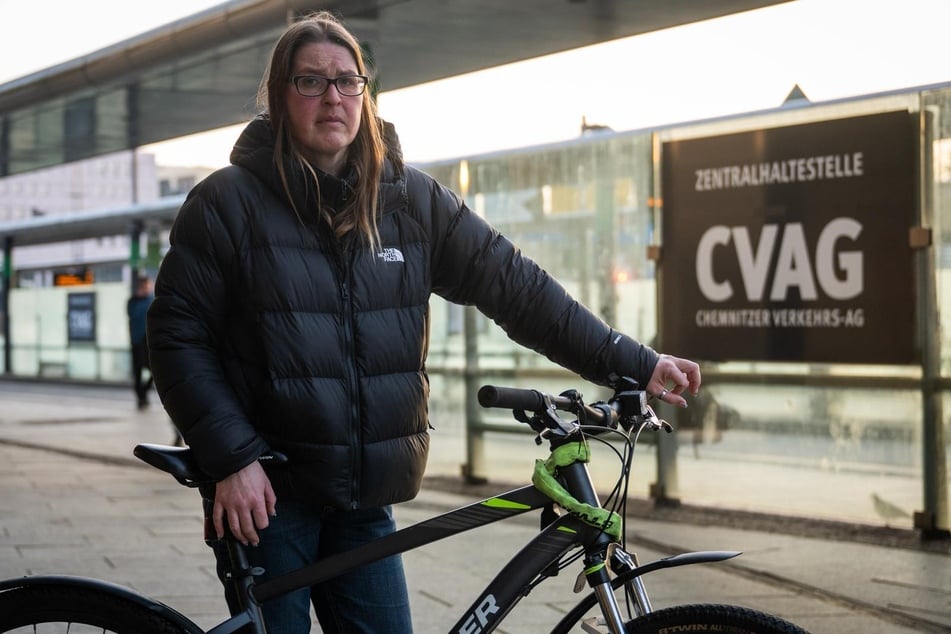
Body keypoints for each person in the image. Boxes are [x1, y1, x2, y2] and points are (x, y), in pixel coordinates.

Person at [146, 11, 701, 633]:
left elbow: (519, 289)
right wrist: (232, 458)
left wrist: (635, 361)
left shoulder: (410, 202)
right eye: (310, 82)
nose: (332, 95)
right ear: (280, 97)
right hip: (268, 497)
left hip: (365, 501)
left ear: (365, 92)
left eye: (347, 80)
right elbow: (175, 336)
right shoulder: (228, 203)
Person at [126, 274, 153, 410]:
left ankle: (144, 393)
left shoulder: (152, 300)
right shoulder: (132, 302)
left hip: (148, 342)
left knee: (153, 369)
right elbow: (132, 317)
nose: (147, 288)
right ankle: (141, 398)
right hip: (136, 341)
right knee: (137, 372)